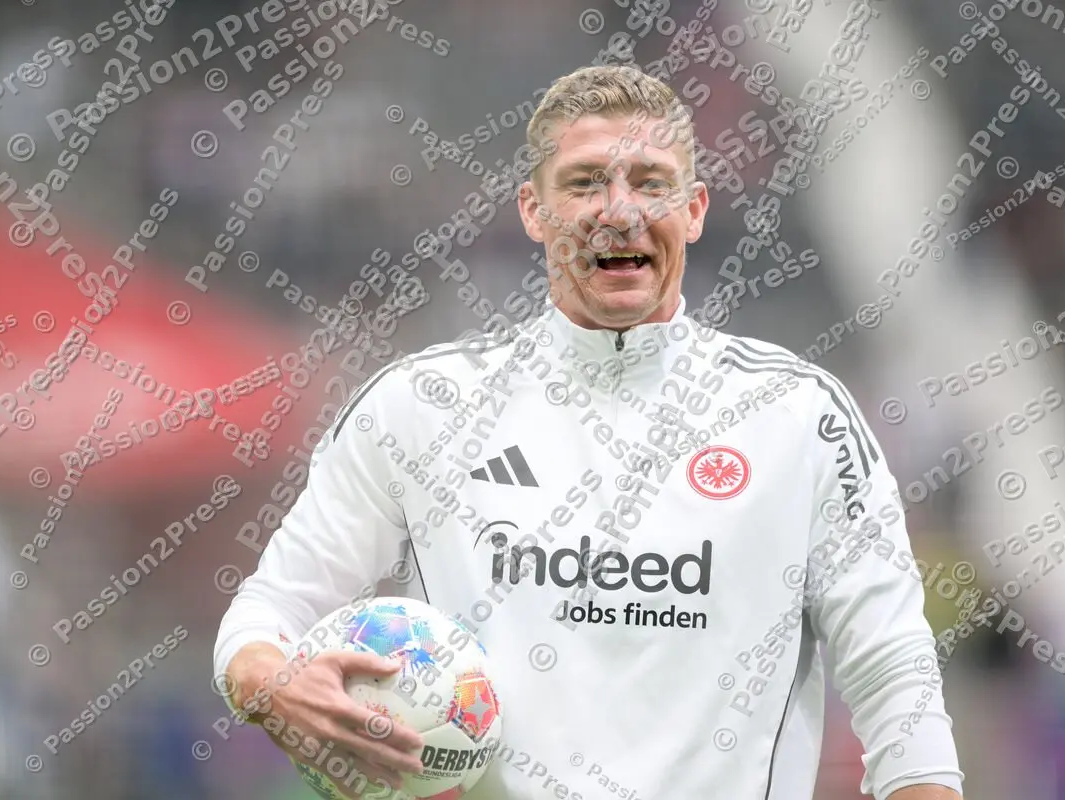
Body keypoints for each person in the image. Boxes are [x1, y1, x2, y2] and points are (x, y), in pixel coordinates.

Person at [214, 65, 964, 800]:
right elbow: (268, 613)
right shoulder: (423, 406)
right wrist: (273, 682)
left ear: (695, 208)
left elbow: (894, 671)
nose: (620, 209)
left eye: (650, 181)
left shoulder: (800, 416)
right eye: (583, 183)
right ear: (533, 211)